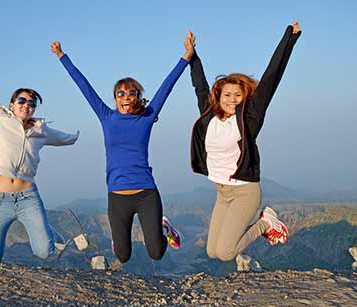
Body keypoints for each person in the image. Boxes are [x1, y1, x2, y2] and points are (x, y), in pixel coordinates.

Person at [50, 33, 194, 263]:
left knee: (156, 253)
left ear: (138, 97)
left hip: (146, 193)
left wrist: (186, 57)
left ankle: (163, 227)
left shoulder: (147, 116)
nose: (126, 97)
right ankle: (122, 239)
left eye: (131, 93)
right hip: (117, 197)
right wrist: (62, 56)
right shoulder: (106, 116)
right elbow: (83, 86)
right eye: (120, 93)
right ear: (115, 98)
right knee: (123, 256)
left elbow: (167, 86)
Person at [187, 22, 302, 267]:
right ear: (218, 96)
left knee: (227, 253)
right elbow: (199, 86)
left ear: (245, 97)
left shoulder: (249, 119)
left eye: (237, 95)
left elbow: (271, 78)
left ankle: (266, 223)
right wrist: (192, 56)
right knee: (212, 252)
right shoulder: (209, 115)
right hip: (222, 193)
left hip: (244, 192)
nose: (231, 99)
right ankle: (260, 224)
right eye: (227, 94)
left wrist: (289, 39)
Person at [0, 42, 79, 267]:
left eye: (32, 103)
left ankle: (45, 228)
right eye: (22, 100)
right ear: (12, 104)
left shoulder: (40, 131)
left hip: (28, 198)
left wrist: (79, 135)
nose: (27, 105)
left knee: (45, 252)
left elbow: (66, 139)